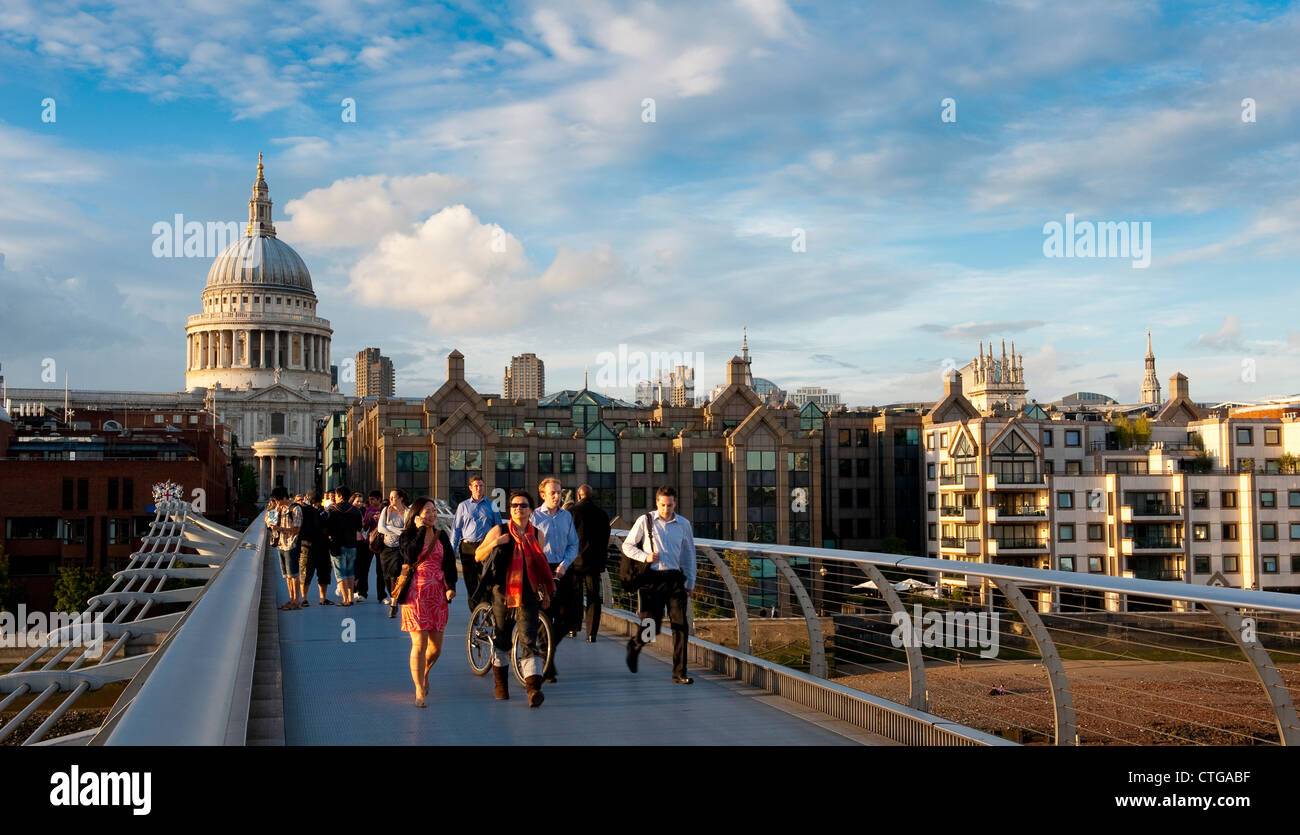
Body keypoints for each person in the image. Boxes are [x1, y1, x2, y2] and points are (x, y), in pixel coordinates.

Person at [475, 490, 555, 707]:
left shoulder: (537, 534)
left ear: (531, 510)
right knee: (502, 638)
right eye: (514, 506)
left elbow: (540, 565)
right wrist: (495, 543)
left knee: (529, 639)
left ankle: (533, 689)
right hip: (502, 593)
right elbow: (478, 554)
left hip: (528, 593)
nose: (518, 509)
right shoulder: (499, 530)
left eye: (523, 505)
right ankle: (500, 686)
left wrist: (546, 592)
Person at [622, 485, 696, 684]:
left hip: (674, 580)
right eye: (663, 505)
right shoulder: (645, 521)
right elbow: (627, 546)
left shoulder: (683, 524)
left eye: (670, 505)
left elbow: (689, 554)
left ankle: (679, 672)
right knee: (651, 628)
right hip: (652, 580)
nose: (666, 509)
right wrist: (645, 557)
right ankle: (635, 645)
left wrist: (690, 581)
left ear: (675, 503)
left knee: (680, 626)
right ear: (657, 503)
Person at [397, 497, 457, 708]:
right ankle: (419, 689)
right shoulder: (407, 536)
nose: (432, 515)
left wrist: (451, 586)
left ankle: (424, 671)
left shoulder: (441, 537)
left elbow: (449, 564)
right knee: (419, 644)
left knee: (436, 649)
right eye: (427, 512)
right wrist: (421, 531)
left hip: (437, 594)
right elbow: (409, 555)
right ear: (416, 516)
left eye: (433, 511)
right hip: (416, 594)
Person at [533, 477, 579, 682]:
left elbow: (573, 544)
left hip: (561, 569)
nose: (557, 496)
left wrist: (564, 565)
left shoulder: (566, 516)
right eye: (553, 493)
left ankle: (544, 647)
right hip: (541, 569)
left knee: (566, 619)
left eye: (559, 492)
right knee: (544, 615)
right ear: (543, 495)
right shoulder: (534, 516)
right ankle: (547, 664)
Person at [450, 474, 501, 610]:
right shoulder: (463, 506)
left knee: (486, 581)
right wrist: (451, 550)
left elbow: (499, 527)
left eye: (481, 486)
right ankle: (475, 613)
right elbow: (456, 529)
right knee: (470, 582)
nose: (479, 488)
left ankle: (486, 610)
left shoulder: (493, 506)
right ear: (470, 488)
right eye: (476, 486)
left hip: (486, 547)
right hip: (467, 547)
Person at [568, 483, 610, 643]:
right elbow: (605, 538)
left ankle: (573, 628)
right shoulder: (602, 514)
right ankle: (592, 633)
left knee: (575, 595)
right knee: (593, 597)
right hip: (594, 563)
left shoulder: (571, 512)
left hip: (575, 561)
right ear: (591, 496)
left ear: (578, 496)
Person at [267, 487, 303, 610]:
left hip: (291, 544)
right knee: (287, 575)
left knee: (293, 574)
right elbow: (271, 524)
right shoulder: (280, 508)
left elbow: (297, 529)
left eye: (277, 500)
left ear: (284, 498)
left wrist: (280, 529)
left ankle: (296, 601)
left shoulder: (296, 509)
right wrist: (271, 512)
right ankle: (291, 599)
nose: (276, 502)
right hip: (281, 544)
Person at [325, 487, 362, 606]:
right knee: (350, 572)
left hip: (336, 545)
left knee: (340, 573)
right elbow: (359, 528)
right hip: (351, 544)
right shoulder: (355, 510)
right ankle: (350, 598)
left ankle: (345, 599)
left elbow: (327, 527)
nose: (334, 497)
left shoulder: (332, 509)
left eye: (335, 495)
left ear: (340, 496)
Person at [296, 492, 334, 606]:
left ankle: (303, 599)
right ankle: (322, 598)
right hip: (323, 545)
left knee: (305, 572)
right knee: (323, 573)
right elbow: (328, 528)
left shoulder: (303, 511)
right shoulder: (325, 512)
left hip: (307, 546)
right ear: (319, 501)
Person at [376, 488, 410, 612]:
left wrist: (390, 527)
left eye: (394, 497)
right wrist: (397, 531)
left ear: (401, 498)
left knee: (395, 574)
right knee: (386, 575)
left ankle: (393, 603)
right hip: (386, 547)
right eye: (390, 497)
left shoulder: (407, 512)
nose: (391, 499)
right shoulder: (386, 510)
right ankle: (393, 597)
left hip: (399, 548)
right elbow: (381, 528)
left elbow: (406, 531)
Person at [356, 490, 384, 602]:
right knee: (364, 568)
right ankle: (362, 593)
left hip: (381, 543)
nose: (371, 501)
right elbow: (365, 527)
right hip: (369, 542)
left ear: (379, 499)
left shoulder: (385, 510)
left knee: (380, 570)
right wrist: (368, 518)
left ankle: (382, 595)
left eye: (373, 499)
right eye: (370, 499)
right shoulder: (369, 510)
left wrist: (380, 518)